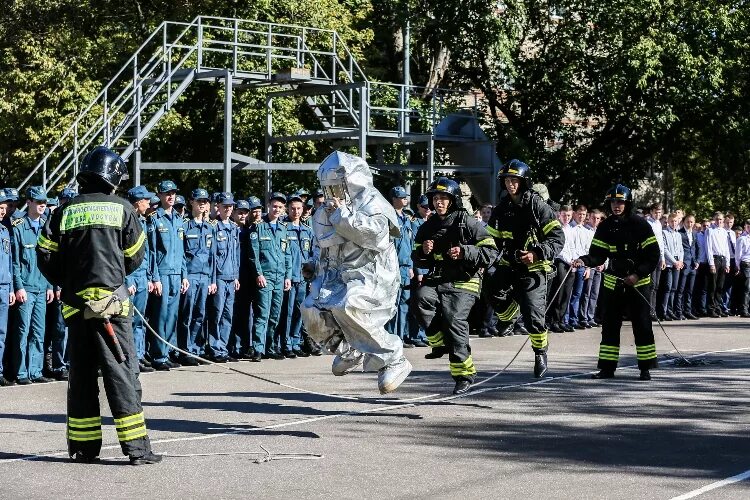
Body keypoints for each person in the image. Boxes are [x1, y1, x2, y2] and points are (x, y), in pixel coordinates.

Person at [37, 145, 161, 465]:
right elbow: (135, 255)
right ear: (113, 179)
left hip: (76, 307)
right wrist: (111, 274)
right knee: (122, 375)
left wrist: (68, 280)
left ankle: (83, 448)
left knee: (81, 377)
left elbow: (45, 254)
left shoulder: (63, 211)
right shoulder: (123, 209)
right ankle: (137, 450)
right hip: (112, 307)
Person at [301, 151, 412, 394]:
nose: (333, 192)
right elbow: (326, 250)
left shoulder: (374, 204)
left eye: (337, 186)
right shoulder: (325, 212)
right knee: (310, 307)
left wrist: (341, 215)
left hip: (371, 275)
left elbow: (371, 236)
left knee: (348, 304)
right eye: (328, 187)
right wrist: (314, 267)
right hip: (338, 275)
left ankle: (394, 358)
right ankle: (348, 348)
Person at [413, 176, 498, 394]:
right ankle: (439, 342)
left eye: (444, 198)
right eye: (435, 199)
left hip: (465, 280)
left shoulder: (468, 222)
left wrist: (465, 252)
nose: (438, 202)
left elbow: (491, 251)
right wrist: (424, 251)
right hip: (439, 278)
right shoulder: (428, 226)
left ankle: (464, 374)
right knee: (420, 298)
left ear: (453, 201)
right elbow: (418, 258)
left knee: (453, 320)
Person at [572, 184, 660, 381]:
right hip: (614, 283)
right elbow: (598, 255)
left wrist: (637, 275)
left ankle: (645, 369)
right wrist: (583, 261)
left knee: (642, 325)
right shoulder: (605, 226)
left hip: (638, 283)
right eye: (613, 202)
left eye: (620, 202)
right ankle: (607, 369)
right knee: (610, 327)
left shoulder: (640, 225)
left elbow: (653, 255)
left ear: (627, 203)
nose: (616, 205)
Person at [485, 160, 564, 377]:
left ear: (524, 181)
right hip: (509, 263)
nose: (510, 184)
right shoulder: (501, 209)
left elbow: (557, 238)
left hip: (535, 267)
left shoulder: (537, 206)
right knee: (490, 287)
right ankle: (508, 317)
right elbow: (490, 239)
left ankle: (540, 352)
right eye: (507, 180)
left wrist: (536, 253)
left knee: (532, 314)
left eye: (515, 180)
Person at [10, 186, 54, 385]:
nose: (42, 205)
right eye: (38, 201)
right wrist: (18, 286)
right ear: (28, 202)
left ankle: (35, 371)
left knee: (39, 332)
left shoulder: (47, 225)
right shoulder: (19, 227)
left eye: (44, 201)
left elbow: (51, 259)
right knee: (22, 331)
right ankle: (20, 373)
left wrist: (51, 286)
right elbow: (15, 262)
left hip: (42, 286)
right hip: (26, 287)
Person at [147, 180, 188, 371]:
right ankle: (158, 355)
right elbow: (152, 251)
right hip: (162, 273)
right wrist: (154, 277)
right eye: (167, 194)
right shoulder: (155, 218)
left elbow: (182, 252)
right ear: (160, 196)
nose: (171, 197)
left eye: (173, 193)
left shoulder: (179, 220)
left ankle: (167, 352)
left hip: (177, 273)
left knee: (172, 316)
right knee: (160, 316)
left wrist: (184, 275)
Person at [249, 192, 290, 361]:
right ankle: (258, 348)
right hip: (265, 276)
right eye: (274, 206)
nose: (277, 209)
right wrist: (258, 274)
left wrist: (288, 276)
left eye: (280, 207)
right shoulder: (259, 227)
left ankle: (270, 347)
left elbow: (287, 255)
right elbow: (254, 254)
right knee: (262, 314)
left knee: (275, 315)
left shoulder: (283, 229)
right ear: (268, 206)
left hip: (280, 278)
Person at [177, 188, 216, 365]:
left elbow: (212, 256)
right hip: (191, 275)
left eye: (205, 201)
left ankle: (196, 349)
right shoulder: (184, 225)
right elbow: (181, 255)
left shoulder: (209, 228)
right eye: (199, 201)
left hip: (205, 277)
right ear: (191, 202)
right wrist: (184, 276)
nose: (202, 204)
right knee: (187, 314)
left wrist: (212, 280)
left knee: (200, 314)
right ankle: (185, 350)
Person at [124, 186, 156, 373]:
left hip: (144, 277)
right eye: (146, 200)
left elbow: (148, 252)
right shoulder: (127, 222)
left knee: (140, 321)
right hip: (131, 279)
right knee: (127, 322)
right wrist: (127, 281)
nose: (149, 203)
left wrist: (152, 277)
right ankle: (129, 359)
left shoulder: (143, 222)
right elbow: (121, 254)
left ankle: (139, 355)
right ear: (138, 202)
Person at [278, 193, 314, 357]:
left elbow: (312, 256)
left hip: (303, 279)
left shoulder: (307, 230)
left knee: (300, 312)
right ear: (287, 209)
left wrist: (312, 278)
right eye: (293, 208)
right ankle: (285, 344)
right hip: (289, 277)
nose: (296, 211)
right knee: (287, 312)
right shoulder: (283, 228)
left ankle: (295, 341)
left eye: (299, 208)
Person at [206, 192, 240, 362]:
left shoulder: (234, 228)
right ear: (217, 207)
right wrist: (212, 280)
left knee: (228, 314)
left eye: (230, 206)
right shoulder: (213, 227)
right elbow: (211, 257)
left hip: (231, 276)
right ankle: (214, 348)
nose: (228, 209)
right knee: (217, 313)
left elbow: (236, 254)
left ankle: (223, 347)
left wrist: (236, 276)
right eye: (225, 206)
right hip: (219, 276)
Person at [387, 186, 421, 346]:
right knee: (393, 304)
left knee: (404, 304)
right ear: (394, 199)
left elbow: (410, 244)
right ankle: (391, 337)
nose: (405, 199)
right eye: (401, 197)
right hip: (394, 266)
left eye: (405, 197)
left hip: (406, 266)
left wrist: (411, 266)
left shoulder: (406, 219)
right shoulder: (389, 218)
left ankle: (400, 337)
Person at [0, 190, 15, 386]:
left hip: (4, 287)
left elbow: (10, 262)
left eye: (4, 208)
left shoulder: (4, 231)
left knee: (1, 333)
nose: (3, 212)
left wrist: (11, 287)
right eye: (0, 208)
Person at [705, 212, 731, 317]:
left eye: (720, 219)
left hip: (722, 259)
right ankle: (711, 308)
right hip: (714, 259)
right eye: (717, 219)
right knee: (713, 285)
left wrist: (727, 263)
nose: (719, 221)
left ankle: (718, 307)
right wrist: (711, 263)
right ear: (714, 219)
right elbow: (708, 248)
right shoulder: (710, 231)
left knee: (720, 286)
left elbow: (726, 248)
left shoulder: (724, 232)